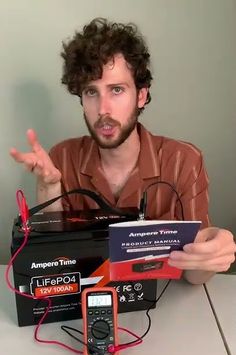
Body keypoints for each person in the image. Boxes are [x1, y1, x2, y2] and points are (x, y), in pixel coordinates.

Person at [10, 18, 236, 285]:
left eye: (116, 90)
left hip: (165, 306)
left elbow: (194, 276)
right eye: (91, 92)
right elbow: (54, 268)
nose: (103, 108)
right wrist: (48, 189)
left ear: (141, 96)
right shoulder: (62, 158)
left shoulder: (184, 161)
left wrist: (212, 254)